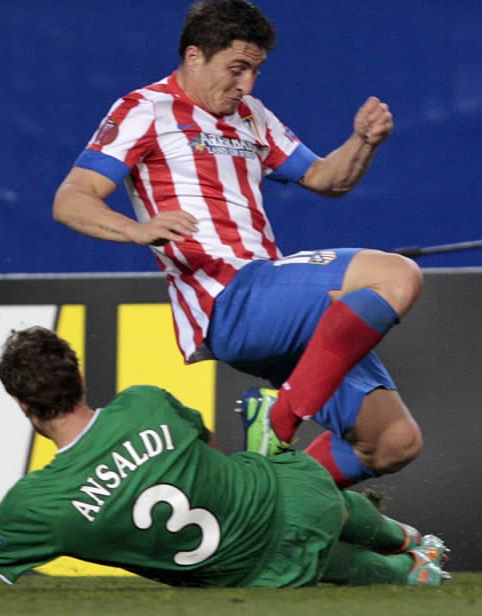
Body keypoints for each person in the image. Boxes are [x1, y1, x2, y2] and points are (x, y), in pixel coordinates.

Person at [52, 0, 424, 488]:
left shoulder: (251, 115)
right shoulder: (145, 109)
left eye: (255, 70)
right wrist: (136, 229)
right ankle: (280, 421)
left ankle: (264, 504)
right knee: (396, 275)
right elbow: (71, 198)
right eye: (237, 68)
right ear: (194, 56)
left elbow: (324, 178)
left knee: (393, 441)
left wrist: (363, 143)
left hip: (274, 300)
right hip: (227, 299)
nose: (247, 83)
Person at [0, 327, 449, 591]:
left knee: (376, 578)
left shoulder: (35, 506)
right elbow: (211, 453)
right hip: (290, 489)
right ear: (80, 376)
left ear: (22, 406)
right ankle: (407, 537)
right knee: (329, 506)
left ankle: (417, 570)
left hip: (258, 566)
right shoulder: (145, 403)